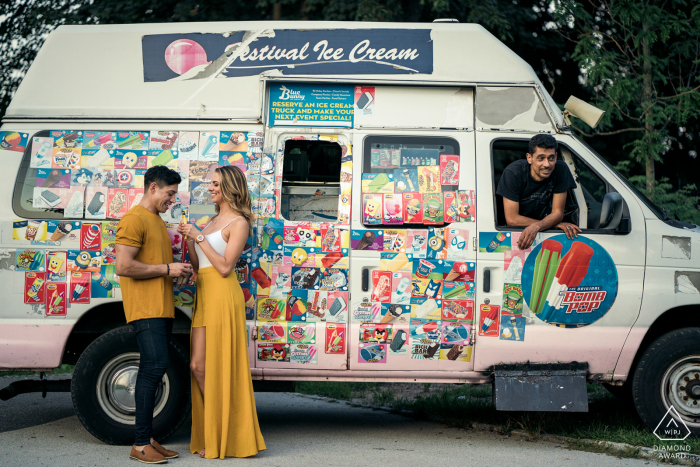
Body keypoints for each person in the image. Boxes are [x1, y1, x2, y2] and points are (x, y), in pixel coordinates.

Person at [177, 165, 266, 459]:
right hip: (204, 294)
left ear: (229, 186)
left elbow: (226, 267)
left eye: (215, 184)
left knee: (223, 366)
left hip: (224, 296)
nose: (210, 188)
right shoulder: (212, 220)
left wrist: (199, 237)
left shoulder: (238, 222)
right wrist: (191, 239)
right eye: (210, 183)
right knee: (198, 367)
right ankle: (218, 430)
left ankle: (227, 437)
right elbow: (198, 261)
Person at [115, 166, 192, 464]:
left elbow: (153, 266)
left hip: (161, 308)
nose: (171, 200)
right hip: (145, 309)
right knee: (153, 367)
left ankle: (147, 439)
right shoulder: (134, 219)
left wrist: (176, 273)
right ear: (152, 188)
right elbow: (124, 266)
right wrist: (167, 269)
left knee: (156, 367)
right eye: (169, 194)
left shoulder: (155, 220)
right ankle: (139, 443)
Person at [496, 134, 581, 250]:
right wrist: (553, 224)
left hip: (543, 233)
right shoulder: (513, 173)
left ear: (556, 157)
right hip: (512, 235)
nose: (547, 164)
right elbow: (512, 219)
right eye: (541, 158)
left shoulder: (561, 170)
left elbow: (557, 213)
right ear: (529, 158)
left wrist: (537, 226)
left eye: (551, 158)